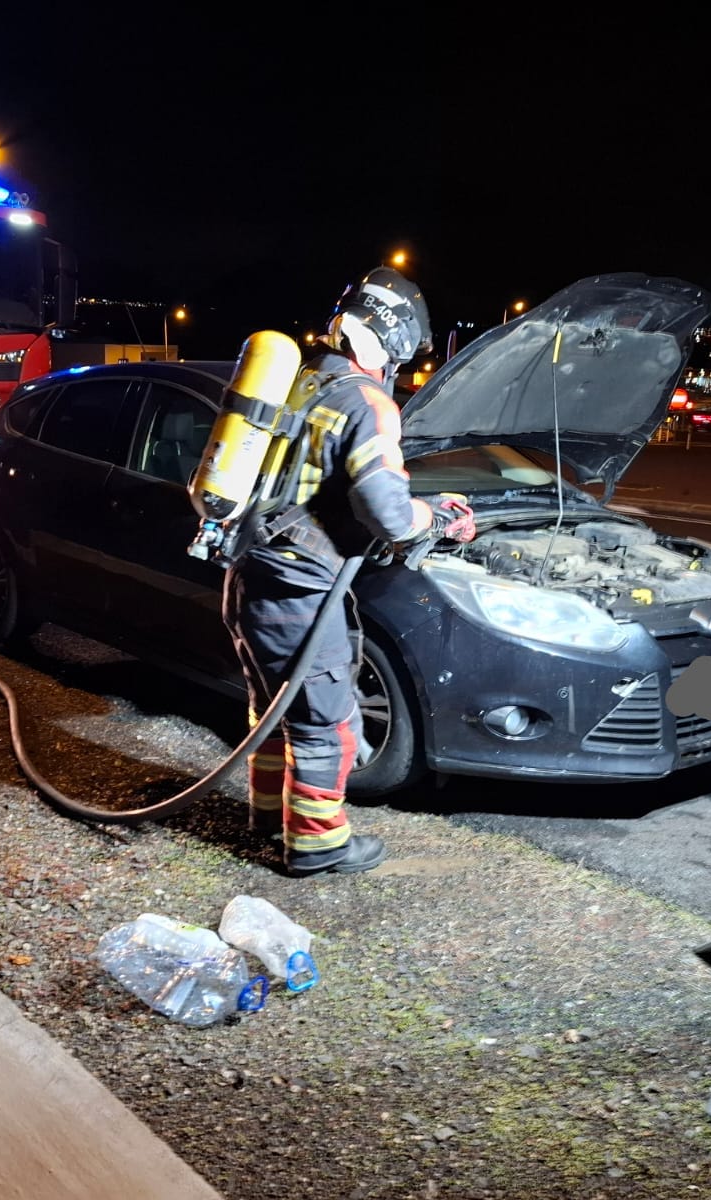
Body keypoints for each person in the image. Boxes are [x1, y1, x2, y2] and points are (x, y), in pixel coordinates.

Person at [220, 267, 477, 877]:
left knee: (274, 709)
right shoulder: (367, 404)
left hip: (251, 575)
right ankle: (316, 844)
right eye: (401, 354)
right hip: (300, 590)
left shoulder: (303, 384)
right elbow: (388, 513)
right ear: (385, 343)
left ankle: (268, 817)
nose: (398, 368)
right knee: (326, 721)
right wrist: (437, 519)